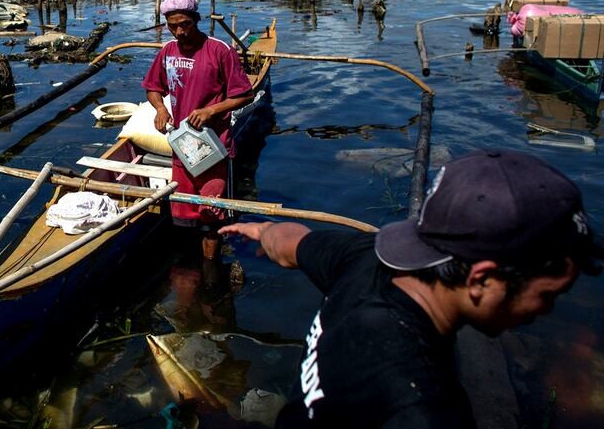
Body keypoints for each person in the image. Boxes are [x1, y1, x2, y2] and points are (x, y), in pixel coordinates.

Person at [219, 149, 600, 428]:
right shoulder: (422, 407)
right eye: (546, 294)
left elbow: (290, 243)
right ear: (481, 280)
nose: (546, 310)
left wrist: (262, 231)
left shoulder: (366, 256)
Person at [142, 0, 253, 259]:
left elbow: (244, 94)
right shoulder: (168, 51)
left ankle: (211, 272)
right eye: (172, 26)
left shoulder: (218, 50)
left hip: (214, 147)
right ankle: (190, 266)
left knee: (211, 217)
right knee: (184, 212)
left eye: (185, 25)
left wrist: (211, 110)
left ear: (196, 20)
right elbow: (153, 87)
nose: (179, 32)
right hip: (182, 147)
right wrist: (160, 108)